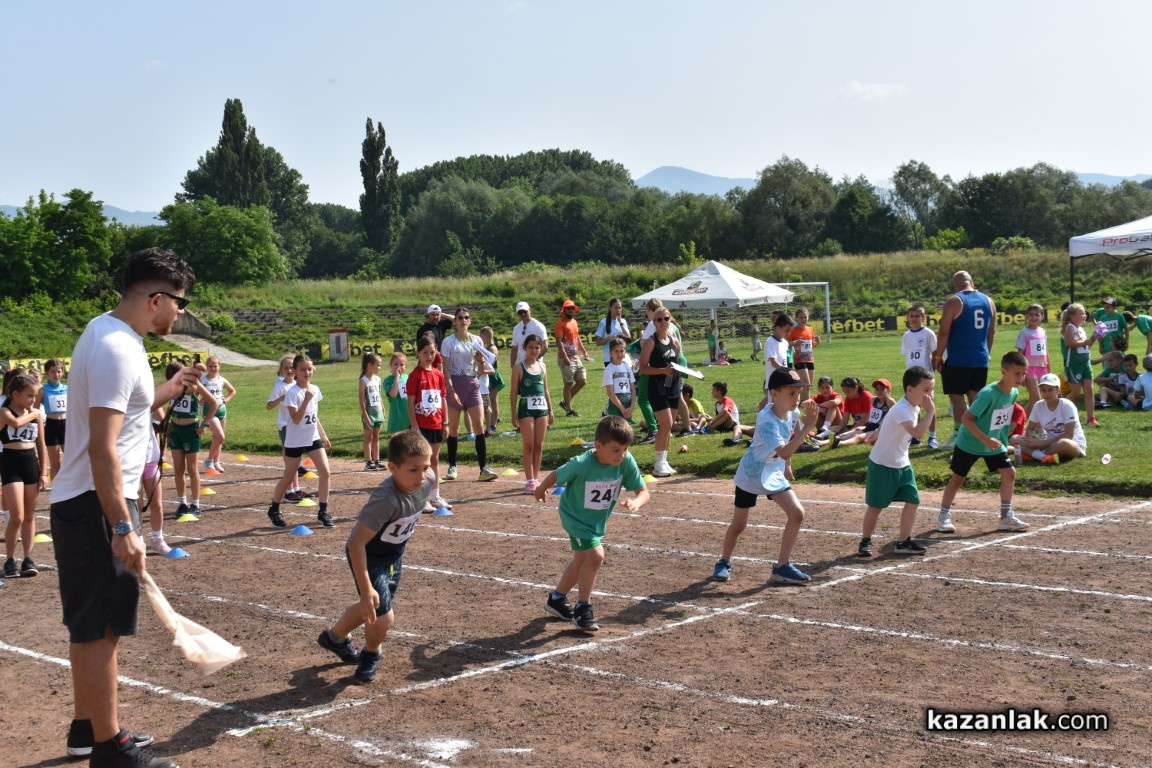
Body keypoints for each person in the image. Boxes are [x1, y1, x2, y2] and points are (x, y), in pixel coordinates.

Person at [50, 247, 199, 767]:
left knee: (91, 624)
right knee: (103, 629)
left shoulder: (105, 332)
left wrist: (168, 390)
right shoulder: (119, 349)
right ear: (155, 298)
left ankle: (87, 728)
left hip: (88, 501)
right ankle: (110, 748)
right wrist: (121, 525)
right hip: (98, 503)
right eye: (179, 302)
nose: (180, 312)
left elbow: (126, 409)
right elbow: (103, 447)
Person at [316, 430, 437, 684]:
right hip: (368, 555)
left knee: (372, 606)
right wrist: (366, 586)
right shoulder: (385, 500)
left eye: (426, 467)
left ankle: (334, 638)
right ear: (392, 468)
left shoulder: (428, 481)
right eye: (413, 470)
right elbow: (356, 543)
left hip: (393, 554)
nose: (422, 475)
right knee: (383, 615)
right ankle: (372, 653)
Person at [535, 415, 649, 632]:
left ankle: (557, 599)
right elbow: (557, 474)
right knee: (596, 555)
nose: (621, 455)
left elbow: (644, 491)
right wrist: (541, 488)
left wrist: (637, 502)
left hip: (595, 521)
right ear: (598, 446)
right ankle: (583, 608)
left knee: (581, 560)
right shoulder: (582, 463)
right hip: (575, 517)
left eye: (625, 449)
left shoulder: (625, 461)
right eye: (616, 450)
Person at [713, 367, 819, 585]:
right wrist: (808, 427)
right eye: (791, 393)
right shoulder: (766, 419)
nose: (797, 398)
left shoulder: (793, 413)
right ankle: (724, 561)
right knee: (739, 525)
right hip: (751, 474)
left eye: (799, 393)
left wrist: (787, 466)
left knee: (797, 513)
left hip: (773, 472)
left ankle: (782, 566)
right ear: (774, 393)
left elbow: (788, 443)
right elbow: (785, 450)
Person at [936, 351, 1030, 534]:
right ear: (1004, 372)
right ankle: (943, 517)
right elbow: (966, 418)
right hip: (969, 442)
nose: (1021, 378)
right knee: (958, 478)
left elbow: (1001, 420)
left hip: (993, 444)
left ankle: (1006, 517)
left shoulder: (1014, 392)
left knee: (1009, 473)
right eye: (1017, 373)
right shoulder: (988, 394)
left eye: (1023, 374)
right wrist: (986, 439)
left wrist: (1001, 441)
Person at [857, 366, 936, 558]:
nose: (930, 395)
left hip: (902, 463)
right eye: (926, 390)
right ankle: (865, 540)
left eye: (931, 390)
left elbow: (890, 420)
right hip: (882, 464)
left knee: (913, 501)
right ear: (910, 389)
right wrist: (931, 412)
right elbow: (917, 433)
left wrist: (878, 431)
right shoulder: (903, 409)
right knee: (876, 506)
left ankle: (903, 542)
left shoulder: (911, 406)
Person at [267, 354, 334, 529]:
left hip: (312, 437)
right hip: (295, 440)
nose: (307, 372)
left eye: (310, 369)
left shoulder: (315, 389)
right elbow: (296, 419)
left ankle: (323, 511)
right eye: (303, 369)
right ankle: (274, 509)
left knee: (325, 472)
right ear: (295, 371)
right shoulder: (292, 392)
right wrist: (306, 399)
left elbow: (314, 415)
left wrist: (323, 435)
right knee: (289, 476)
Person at [934, 271, 996, 449]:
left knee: (957, 397)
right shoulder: (989, 301)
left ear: (956, 285)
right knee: (975, 396)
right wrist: (986, 353)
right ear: (972, 282)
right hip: (981, 357)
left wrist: (938, 356)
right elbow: (991, 332)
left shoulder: (954, 301)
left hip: (959, 358)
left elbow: (944, 332)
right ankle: (978, 434)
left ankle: (959, 434)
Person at [441, 307, 497, 482]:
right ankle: (452, 466)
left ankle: (483, 468)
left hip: (472, 384)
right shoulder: (448, 342)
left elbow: (480, 370)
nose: (463, 320)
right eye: (460, 317)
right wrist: (451, 390)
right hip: (455, 384)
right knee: (454, 429)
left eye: (466, 317)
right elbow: (446, 370)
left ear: (470, 321)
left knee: (479, 426)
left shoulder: (476, 340)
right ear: (455, 321)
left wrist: (481, 362)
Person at [2, 372, 49, 577]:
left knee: (29, 515)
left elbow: (41, 444)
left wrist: (44, 472)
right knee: (17, 516)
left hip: (30, 464)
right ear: (15, 394)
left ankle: (28, 558)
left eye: (35, 396)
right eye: (30, 395)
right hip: (10, 465)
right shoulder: (5, 411)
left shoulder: (35, 415)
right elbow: (15, 423)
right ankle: (10, 560)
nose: (33, 400)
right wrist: (35, 413)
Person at [164, 361, 218, 520]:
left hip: (191, 430)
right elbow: (169, 406)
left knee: (192, 468)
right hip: (176, 430)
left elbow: (214, 403)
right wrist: (167, 423)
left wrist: (204, 424)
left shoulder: (194, 386)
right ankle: (182, 503)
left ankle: (195, 504)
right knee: (178, 468)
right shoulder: (171, 387)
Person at [407, 334, 451, 511]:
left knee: (434, 459)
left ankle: (435, 496)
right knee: (422, 462)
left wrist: (445, 423)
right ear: (418, 353)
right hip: (421, 425)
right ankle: (421, 498)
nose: (429, 356)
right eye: (425, 352)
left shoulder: (438, 374)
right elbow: (410, 403)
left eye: (432, 352)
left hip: (436, 423)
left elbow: (443, 399)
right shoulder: (415, 375)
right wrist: (414, 426)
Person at [639, 305, 683, 478]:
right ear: (654, 323)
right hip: (657, 387)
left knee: (669, 426)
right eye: (659, 319)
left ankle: (664, 461)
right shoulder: (651, 342)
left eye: (666, 318)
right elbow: (643, 368)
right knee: (665, 424)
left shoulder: (674, 340)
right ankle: (658, 464)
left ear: (670, 320)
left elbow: (676, 360)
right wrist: (662, 371)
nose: (663, 322)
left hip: (673, 385)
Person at [510, 334, 553, 494]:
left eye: (537, 347)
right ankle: (529, 481)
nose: (534, 350)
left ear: (541, 349)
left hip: (542, 409)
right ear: (525, 348)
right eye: (530, 347)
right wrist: (513, 413)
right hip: (526, 409)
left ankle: (535, 479)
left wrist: (550, 410)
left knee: (539, 446)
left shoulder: (543, 367)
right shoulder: (518, 367)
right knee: (529, 446)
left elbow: (546, 390)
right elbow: (513, 392)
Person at [1011, 373, 1086, 464]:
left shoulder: (1067, 405)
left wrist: (1042, 443)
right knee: (1014, 438)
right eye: (1043, 390)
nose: (1046, 393)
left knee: (1064, 443)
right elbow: (1030, 429)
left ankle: (1035, 455)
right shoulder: (1038, 405)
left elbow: (1069, 435)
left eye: (1050, 390)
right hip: (1046, 443)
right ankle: (1044, 457)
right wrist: (1033, 438)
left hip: (1072, 443)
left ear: (1058, 390)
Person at [267, 354, 307, 503]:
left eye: (291, 367)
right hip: (285, 426)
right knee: (290, 462)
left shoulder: (298, 385)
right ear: (281, 370)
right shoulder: (280, 387)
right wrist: (280, 398)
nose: (289, 370)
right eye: (286, 368)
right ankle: (289, 492)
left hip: (297, 426)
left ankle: (296, 489)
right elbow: (269, 406)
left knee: (296, 461)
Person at [901, 303, 938, 447]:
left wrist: (932, 371)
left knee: (929, 405)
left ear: (923, 317)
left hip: (925, 375)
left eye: (917, 316)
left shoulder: (928, 333)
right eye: (911, 316)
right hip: (911, 375)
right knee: (913, 406)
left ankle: (932, 437)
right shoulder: (906, 335)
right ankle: (916, 437)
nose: (914, 319)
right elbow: (908, 354)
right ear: (907, 317)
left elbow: (935, 353)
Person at [1060, 302, 1101, 426]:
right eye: (1081, 313)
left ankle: (1091, 418)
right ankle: (1057, 410)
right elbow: (1068, 343)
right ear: (1073, 316)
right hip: (1074, 364)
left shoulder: (1081, 329)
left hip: (1085, 363)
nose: (1084, 316)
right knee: (1075, 394)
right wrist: (1085, 342)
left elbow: (1086, 346)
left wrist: (1095, 336)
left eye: (1084, 313)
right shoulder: (1070, 327)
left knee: (1089, 390)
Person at [828, 378, 894, 449]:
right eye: (877, 389)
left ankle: (838, 443)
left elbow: (897, 414)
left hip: (880, 429)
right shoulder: (873, 400)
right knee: (852, 431)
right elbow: (872, 418)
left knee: (858, 437)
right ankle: (825, 441)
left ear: (888, 390)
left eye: (882, 389)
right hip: (871, 426)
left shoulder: (889, 401)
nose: (879, 392)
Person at [555, 299, 592, 417]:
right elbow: (559, 342)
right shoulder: (560, 324)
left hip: (576, 357)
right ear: (564, 310)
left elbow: (577, 338)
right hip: (566, 358)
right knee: (569, 383)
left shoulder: (574, 322)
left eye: (572, 308)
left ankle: (565, 403)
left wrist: (584, 351)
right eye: (568, 308)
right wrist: (565, 357)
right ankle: (569, 410)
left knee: (582, 381)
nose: (570, 310)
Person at [199, 356, 234, 473]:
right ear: (206, 367)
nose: (213, 368)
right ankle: (208, 460)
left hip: (222, 410)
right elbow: (194, 392)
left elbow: (232, 390)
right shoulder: (202, 379)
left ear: (219, 366)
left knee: (217, 438)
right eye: (210, 366)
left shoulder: (221, 380)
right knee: (220, 436)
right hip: (209, 410)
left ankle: (216, 462)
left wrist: (227, 399)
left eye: (215, 366)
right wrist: (199, 400)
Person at [36, 357, 68, 482]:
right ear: (47, 373)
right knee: (55, 463)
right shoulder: (42, 390)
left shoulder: (67, 389)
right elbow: (34, 410)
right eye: (53, 371)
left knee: (71, 460)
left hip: (66, 425)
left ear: (63, 372)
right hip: (51, 426)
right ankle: (56, 489)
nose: (56, 374)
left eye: (59, 371)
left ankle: (71, 487)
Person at [1015, 303, 1050, 415]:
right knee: (1038, 399)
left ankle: (1020, 420)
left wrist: (1049, 370)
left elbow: (1046, 352)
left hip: (1042, 368)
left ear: (1042, 316)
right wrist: (1021, 373)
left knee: (1032, 400)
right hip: (1029, 369)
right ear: (1026, 316)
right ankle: (1043, 424)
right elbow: (1020, 354)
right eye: (1031, 314)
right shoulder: (1024, 332)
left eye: (1037, 315)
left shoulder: (1043, 331)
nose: (1034, 317)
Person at [358, 352, 384, 471]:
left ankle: (376, 460)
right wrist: (365, 415)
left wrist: (382, 408)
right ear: (369, 365)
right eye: (378, 365)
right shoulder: (363, 381)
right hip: (369, 413)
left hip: (378, 412)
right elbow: (361, 400)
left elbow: (379, 395)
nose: (379, 367)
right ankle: (368, 462)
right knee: (368, 437)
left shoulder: (378, 379)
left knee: (376, 437)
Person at [787, 307, 820, 400]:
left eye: (805, 317)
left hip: (810, 359)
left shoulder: (810, 329)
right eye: (800, 317)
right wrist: (794, 343)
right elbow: (785, 344)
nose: (803, 319)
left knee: (809, 386)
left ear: (808, 317)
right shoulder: (793, 330)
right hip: (799, 360)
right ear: (796, 319)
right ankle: (806, 403)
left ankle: (801, 401)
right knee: (806, 384)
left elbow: (810, 346)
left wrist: (817, 342)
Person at [761, 312, 793, 402]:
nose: (789, 333)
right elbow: (774, 362)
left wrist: (795, 343)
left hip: (783, 382)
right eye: (787, 330)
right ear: (778, 328)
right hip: (774, 384)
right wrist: (786, 372)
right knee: (774, 407)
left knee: (784, 406)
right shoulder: (770, 342)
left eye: (790, 330)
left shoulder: (784, 342)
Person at [602, 337, 635, 422]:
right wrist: (622, 409)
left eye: (622, 351)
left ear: (625, 352)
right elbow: (610, 393)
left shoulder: (628, 368)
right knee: (616, 427)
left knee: (627, 428)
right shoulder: (609, 369)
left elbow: (633, 390)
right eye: (616, 351)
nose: (619, 354)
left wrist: (631, 407)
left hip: (627, 405)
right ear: (610, 353)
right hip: (615, 406)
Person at [479, 326, 503, 435]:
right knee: (489, 401)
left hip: (493, 377)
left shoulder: (492, 348)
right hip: (488, 376)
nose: (480, 339)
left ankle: (493, 425)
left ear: (487, 336)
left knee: (493, 401)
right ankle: (494, 418)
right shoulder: (487, 347)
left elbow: (491, 364)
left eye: (481, 336)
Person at [594, 298, 632, 366]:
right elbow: (598, 342)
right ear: (610, 308)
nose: (618, 310)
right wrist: (609, 338)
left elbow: (628, 337)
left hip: (622, 358)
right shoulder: (603, 322)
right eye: (616, 308)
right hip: (609, 358)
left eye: (620, 308)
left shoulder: (623, 321)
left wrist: (620, 323)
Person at [510, 301, 548, 367]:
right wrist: (513, 365)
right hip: (521, 364)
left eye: (525, 311)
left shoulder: (538, 326)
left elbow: (545, 346)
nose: (523, 314)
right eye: (520, 312)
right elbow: (514, 349)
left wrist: (534, 360)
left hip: (536, 364)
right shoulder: (516, 328)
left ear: (530, 310)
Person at [383, 352, 410, 435]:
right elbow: (393, 394)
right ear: (390, 365)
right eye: (395, 364)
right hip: (397, 414)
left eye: (402, 364)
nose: (398, 367)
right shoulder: (388, 380)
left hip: (408, 413)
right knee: (397, 439)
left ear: (406, 366)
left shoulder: (407, 377)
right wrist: (397, 378)